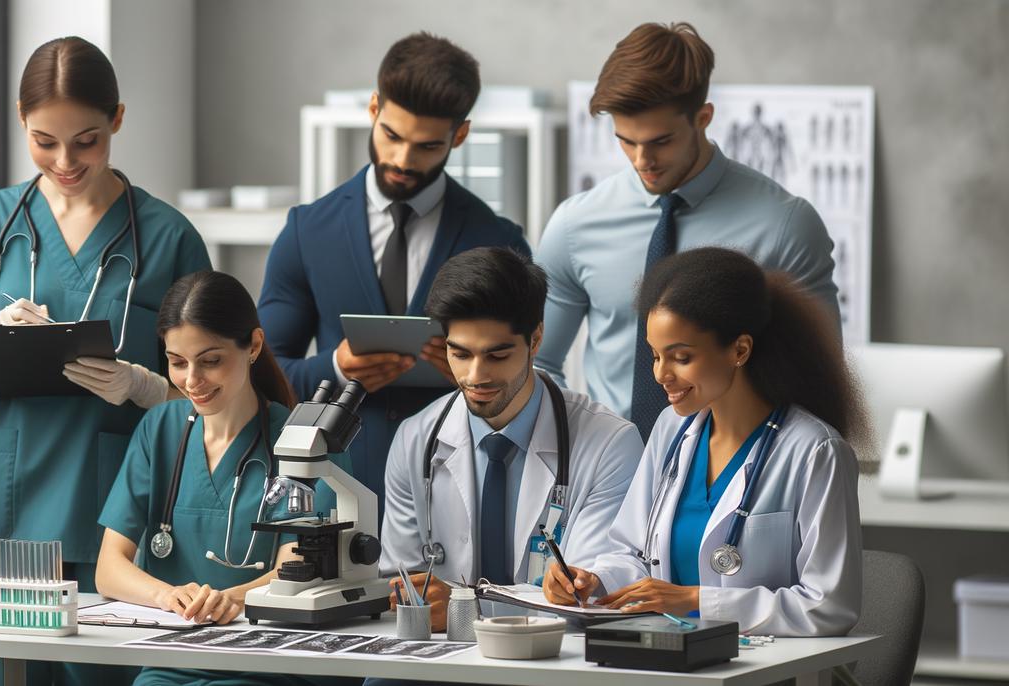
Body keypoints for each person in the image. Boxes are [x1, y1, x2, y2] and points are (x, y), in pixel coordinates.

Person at [0, 37, 210, 684]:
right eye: (45, 141)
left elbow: (207, 397)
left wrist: (141, 384)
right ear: (20, 120)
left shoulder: (167, 236)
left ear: (118, 120)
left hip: (116, 510)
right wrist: (6, 365)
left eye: (87, 140)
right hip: (1, 514)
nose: (65, 161)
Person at [258, 33, 530, 512]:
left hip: (460, 494)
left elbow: (536, 381)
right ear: (373, 109)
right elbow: (262, 369)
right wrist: (336, 368)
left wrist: (477, 377)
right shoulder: (308, 231)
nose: (403, 160)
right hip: (335, 493)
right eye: (392, 135)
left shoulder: (498, 240)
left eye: (427, 146)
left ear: (460, 135)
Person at [535, 22, 840, 441]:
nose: (643, 160)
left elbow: (817, 379)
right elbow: (537, 361)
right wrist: (579, 451)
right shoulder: (575, 225)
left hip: (734, 479)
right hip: (609, 484)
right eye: (626, 141)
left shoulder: (785, 226)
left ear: (703, 117)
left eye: (661, 141)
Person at [542, 247, 866, 636]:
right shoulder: (671, 430)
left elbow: (828, 605)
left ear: (739, 350)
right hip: (669, 657)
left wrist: (697, 600)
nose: (661, 375)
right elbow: (633, 554)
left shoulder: (815, 451)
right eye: (655, 356)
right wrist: (595, 580)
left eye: (680, 357)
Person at [97, 270, 355, 686]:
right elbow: (109, 568)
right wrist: (167, 595)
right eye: (177, 363)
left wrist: (229, 600)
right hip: (174, 659)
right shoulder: (158, 429)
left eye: (211, 361)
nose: (192, 381)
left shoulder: (305, 443)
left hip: (270, 658)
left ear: (253, 346)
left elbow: (299, 568)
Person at [378, 248, 644, 632]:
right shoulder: (415, 439)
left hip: (548, 655)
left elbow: (583, 599)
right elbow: (404, 587)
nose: (475, 376)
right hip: (440, 657)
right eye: (460, 354)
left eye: (497, 355)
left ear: (535, 341)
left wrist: (464, 608)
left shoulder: (610, 443)